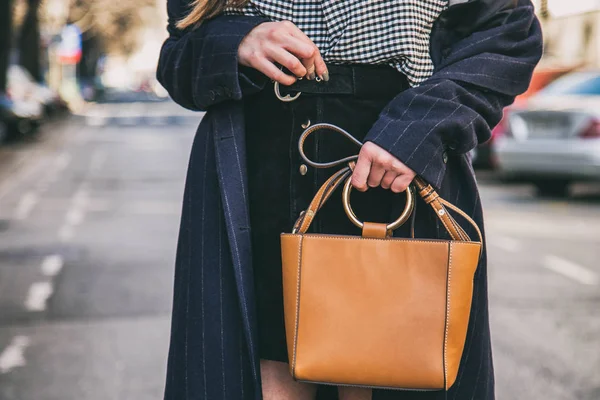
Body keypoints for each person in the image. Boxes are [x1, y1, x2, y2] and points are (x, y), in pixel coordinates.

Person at [156, 1, 542, 399]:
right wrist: (235, 41)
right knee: (253, 373)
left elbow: (508, 36)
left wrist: (420, 127)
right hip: (255, 168)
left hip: (396, 160)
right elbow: (177, 55)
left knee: (393, 370)